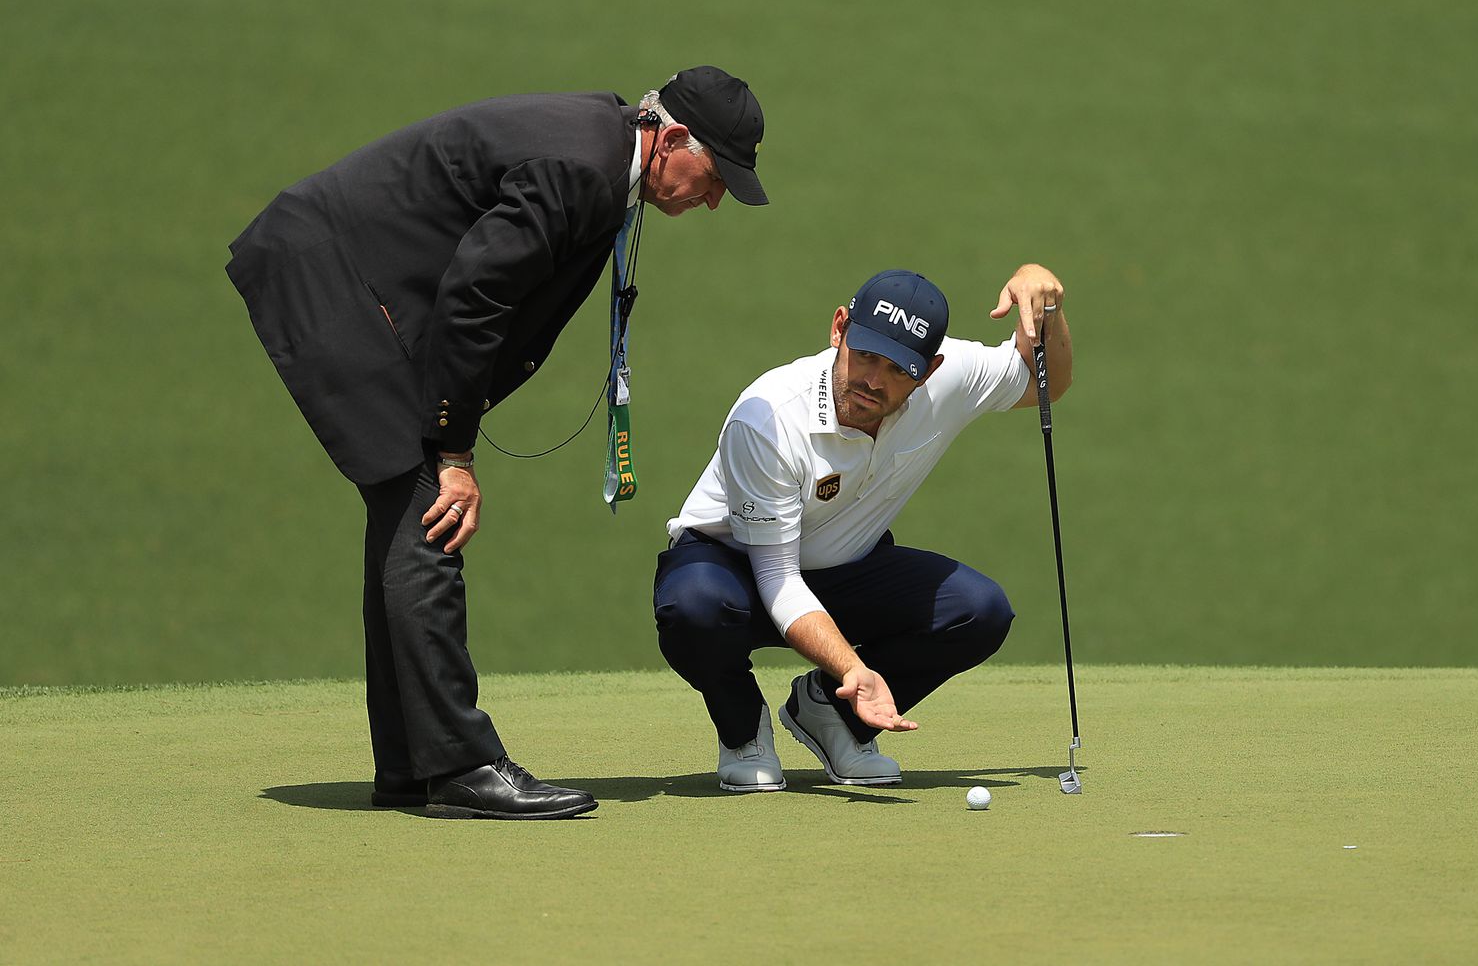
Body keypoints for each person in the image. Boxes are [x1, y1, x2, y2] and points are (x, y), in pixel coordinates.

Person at [226, 67, 769, 819]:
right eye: (712, 178)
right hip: (334, 285)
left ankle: (414, 767)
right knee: (428, 510)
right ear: (671, 137)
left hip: (352, 283)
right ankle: (456, 766)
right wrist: (454, 451)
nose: (712, 200)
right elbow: (476, 291)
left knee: (405, 516)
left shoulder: (605, 149)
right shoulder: (581, 168)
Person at [652, 265, 1071, 790]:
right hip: (730, 569)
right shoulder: (769, 416)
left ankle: (829, 714)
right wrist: (854, 666)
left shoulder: (952, 375)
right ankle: (742, 730)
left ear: (930, 369)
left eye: (898, 369)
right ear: (839, 328)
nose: (874, 380)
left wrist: (1047, 307)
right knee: (694, 609)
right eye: (866, 355)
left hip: (845, 569)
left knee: (979, 611)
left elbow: (1045, 381)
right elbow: (777, 578)